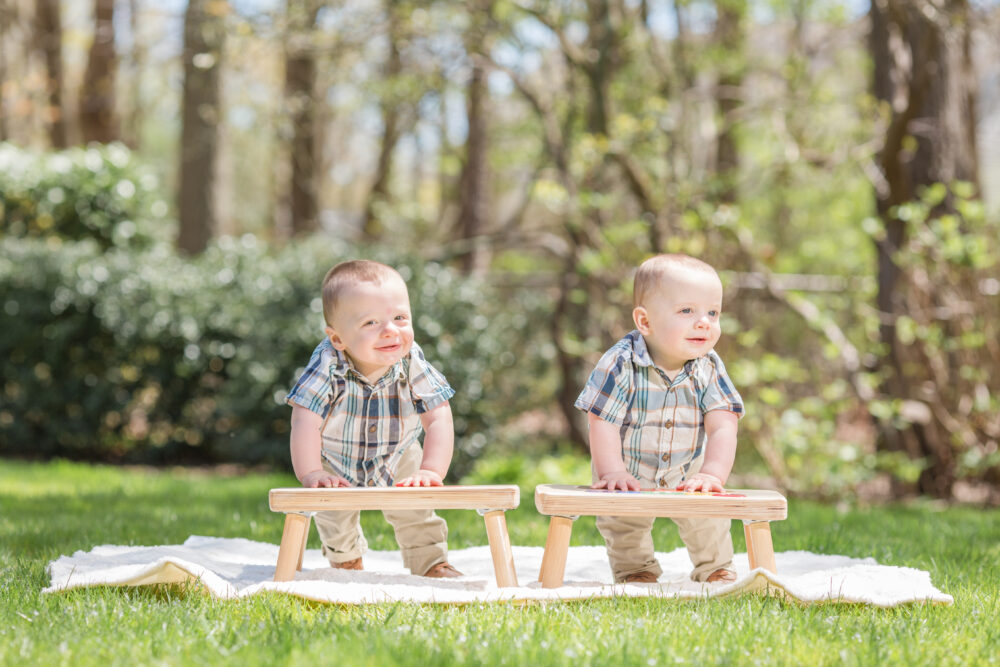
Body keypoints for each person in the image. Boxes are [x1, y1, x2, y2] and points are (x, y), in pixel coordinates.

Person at [284, 259, 462, 578]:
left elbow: (439, 416)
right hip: (334, 457)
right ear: (338, 339)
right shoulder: (329, 363)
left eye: (399, 317)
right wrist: (311, 472)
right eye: (371, 323)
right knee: (333, 515)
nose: (391, 330)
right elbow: (305, 419)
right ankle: (346, 559)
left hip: (399, 452)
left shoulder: (410, 360)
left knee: (416, 510)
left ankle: (431, 562)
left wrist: (430, 470)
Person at [574, 253, 744, 584]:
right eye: (687, 311)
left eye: (713, 312)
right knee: (623, 522)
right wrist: (612, 471)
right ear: (645, 322)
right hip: (627, 465)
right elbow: (602, 421)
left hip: (688, 466)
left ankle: (716, 567)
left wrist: (711, 474)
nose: (704, 322)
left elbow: (724, 422)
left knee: (708, 518)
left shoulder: (707, 366)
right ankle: (635, 569)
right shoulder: (621, 363)